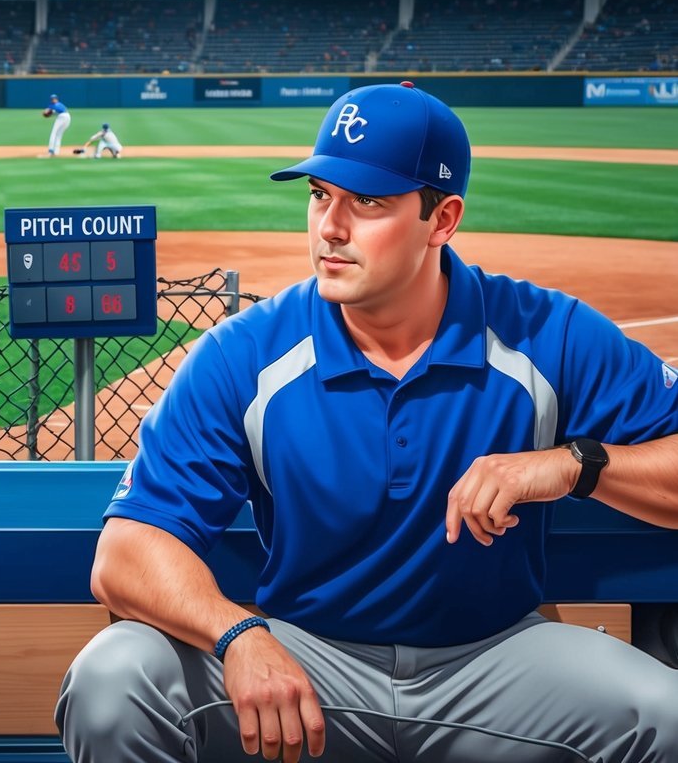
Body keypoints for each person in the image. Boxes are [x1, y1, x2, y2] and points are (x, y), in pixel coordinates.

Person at [56, 82, 678, 762]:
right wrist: (237, 636)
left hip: (493, 662)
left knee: (664, 715)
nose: (330, 225)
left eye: (368, 202)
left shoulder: (543, 333)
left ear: (440, 220)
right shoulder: (245, 353)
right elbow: (124, 554)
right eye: (320, 194)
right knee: (113, 677)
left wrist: (572, 464)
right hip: (305, 660)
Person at [44, 93, 71, 157]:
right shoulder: (55, 105)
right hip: (67, 117)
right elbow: (49, 111)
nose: (53, 100)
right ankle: (56, 152)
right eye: (52, 99)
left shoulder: (56, 105)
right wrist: (47, 112)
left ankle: (50, 151)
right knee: (58, 134)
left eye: (54, 98)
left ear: (57, 99)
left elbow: (49, 111)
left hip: (64, 117)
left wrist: (47, 112)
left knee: (54, 133)